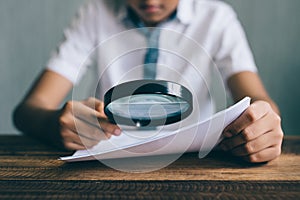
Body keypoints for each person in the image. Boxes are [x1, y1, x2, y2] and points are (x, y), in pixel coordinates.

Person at [13, 0, 283, 163]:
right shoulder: (95, 13)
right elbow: (28, 110)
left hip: (195, 162)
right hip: (110, 157)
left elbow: (258, 100)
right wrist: (52, 124)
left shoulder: (216, 17)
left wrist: (263, 124)